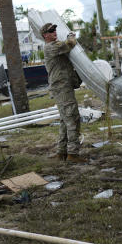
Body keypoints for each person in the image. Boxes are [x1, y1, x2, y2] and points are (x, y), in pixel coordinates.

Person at [41, 22, 86, 163]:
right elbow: (70, 43)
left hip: (62, 87)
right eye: (51, 31)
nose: (54, 32)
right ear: (45, 35)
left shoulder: (54, 46)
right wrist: (71, 35)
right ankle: (73, 154)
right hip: (62, 88)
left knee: (65, 120)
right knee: (72, 118)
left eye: (55, 29)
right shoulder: (51, 47)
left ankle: (61, 153)